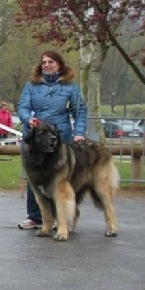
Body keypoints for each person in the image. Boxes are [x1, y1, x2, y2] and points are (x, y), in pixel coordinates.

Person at [17, 50, 87, 229]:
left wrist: (79, 132)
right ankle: (35, 217)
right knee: (34, 177)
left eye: (51, 62)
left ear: (60, 64)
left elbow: (80, 112)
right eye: (44, 62)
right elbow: (23, 107)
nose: (47, 65)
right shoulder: (31, 86)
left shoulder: (70, 87)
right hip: (36, 138)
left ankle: (62, 218)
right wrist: (28, 119)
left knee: (60, 181)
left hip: (60, 138)